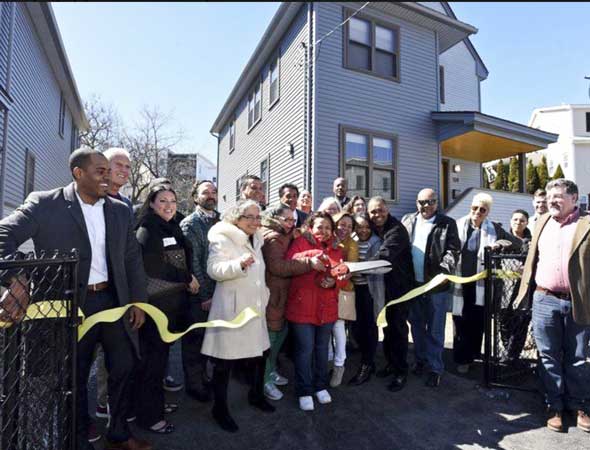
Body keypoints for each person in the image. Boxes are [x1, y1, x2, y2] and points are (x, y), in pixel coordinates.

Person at [0, 148, 151, 450]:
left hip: (113, 301)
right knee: (75, 375)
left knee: (124, 366)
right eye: (100, 171)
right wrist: (15, 277)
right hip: (70, 306)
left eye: (109, 171)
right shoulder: (45, 204)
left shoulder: (120, 210)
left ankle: (119, 432)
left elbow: (132, 257)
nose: (108, 177)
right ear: (78, 173)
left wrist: (137, 300)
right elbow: (4, 234)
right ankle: (79, 435)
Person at [515, 179, 590, 433]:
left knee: (577, 357)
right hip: (544, 299)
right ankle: (554, 405)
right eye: (549, 197)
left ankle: (579, 405)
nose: (551, 201)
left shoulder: (586, 224)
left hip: (578, 302)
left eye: (557, 196)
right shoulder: (542, 223)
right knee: (547, 355)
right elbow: (532, 258)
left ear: (574, 198)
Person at [201, 200, 275, 432]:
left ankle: (256, 395)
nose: (255, 221)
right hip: (232, 311)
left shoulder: (258, 237)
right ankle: (219, 409)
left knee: (261, 355)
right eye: (249, 217)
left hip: (255, 308)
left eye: (257, 217)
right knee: (224, 363)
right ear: (236, 218)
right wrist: (237, 265)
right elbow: (213, 269)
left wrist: (265, 293)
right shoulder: (223, 237)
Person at [133, 185, 200, 434]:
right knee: (152, 362)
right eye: (163, 200)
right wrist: (187, 277)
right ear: (151, 203)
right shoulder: (148, 228)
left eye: (173, 200)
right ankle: (150, 418)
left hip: (171, 305)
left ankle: (153, 406)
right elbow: (153, 266)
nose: (169, 205)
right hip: (156, 308)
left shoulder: (171, 225)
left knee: (159, 363)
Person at [259, 205, 326, 400]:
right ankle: (264, 381)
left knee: (278, 338)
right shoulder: (273, 238)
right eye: (286, 219)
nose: (291, 223)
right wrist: (309, 262)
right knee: (269, 341)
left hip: (284, 295)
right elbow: (277, 266)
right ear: (275, 219)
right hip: (274, 296)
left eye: (293, 220)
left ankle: (270, 372)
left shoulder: (286, 234)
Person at [285, 212, 349, 411]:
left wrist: (333, 282)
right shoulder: (300, 242)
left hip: (327, 307)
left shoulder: (337, 249)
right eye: (320, 227)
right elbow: (290, 261)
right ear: (311, 227)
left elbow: (343, 275)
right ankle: (304, 390)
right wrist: (312, 256)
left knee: (322, 349)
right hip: (302, 305)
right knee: (305, 350)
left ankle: (319, 385)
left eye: (328, 228)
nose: (324, 231)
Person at [451, 193, 520, 374]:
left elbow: (515, 243)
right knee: (460, 322)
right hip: (461, 284)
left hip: (483, 286)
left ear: (487, 212)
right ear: (470, 208)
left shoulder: (494, 228)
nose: (478, 212)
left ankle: (474, 354)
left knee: (478, 322)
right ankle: (462, 358)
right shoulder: (457, 226)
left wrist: (500, 243)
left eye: (483, 209)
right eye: (475, 208)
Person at [401, 189, 460, 387]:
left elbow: (453, 250)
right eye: (422, 202)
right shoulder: (407, 220)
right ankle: (420, 361)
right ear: (416, 202)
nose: (426, 206)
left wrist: (443, 271)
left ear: (437, 203)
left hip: (436, 287)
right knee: (416, 326)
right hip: (413, 285)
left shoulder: (447, 223)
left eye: (430, 202)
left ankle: (435, 368)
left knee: (435, 329)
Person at [95, 147, 134, 421]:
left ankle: (111, 403)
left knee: (116, 352)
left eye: (128, 166)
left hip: (119, 289)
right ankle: (96, 404)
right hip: (91, 288)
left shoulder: (126, 204)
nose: (123, 169)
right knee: (90, 353)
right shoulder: (91, 196)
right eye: (117, 164)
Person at [367, 197, 415, 392]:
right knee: (386, 328)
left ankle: (401, 371)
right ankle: (390, 363)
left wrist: (356, 267)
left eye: (380, 210)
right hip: (382, 287)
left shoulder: (397, 229)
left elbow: (385, 256)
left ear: (387, 210)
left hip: (399, 289)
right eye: (373, 212)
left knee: (398, 330)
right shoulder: (372, 227)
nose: (377, 215)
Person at [179, 180, 220, 402]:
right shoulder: (190, 224)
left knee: (211, 341)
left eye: (214, 192)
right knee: (195, 342)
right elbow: (193, 263)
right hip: (200, 296)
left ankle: (206, 379)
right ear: (196, 197)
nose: (211, 195)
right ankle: (195, 386)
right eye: (206, 192)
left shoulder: (221, 220)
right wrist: (204, 296)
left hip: (220, 291)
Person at [348, 213, 386, 385]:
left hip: (369, 290)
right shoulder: (352, 240)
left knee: (370, 327)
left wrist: (354, 268)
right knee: (356, 326)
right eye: (359, 227)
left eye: (367, 227)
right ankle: (364, 357)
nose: (363, 230)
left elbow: (378, 266)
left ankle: (368, 364)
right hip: (353, 289)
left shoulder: (377, 242)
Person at [329, 212, 359, 387]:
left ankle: (339, 365)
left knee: (339, 327)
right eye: (342, 224)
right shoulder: (327, 237)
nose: (345, 229)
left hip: (343, 290)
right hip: (324, 289)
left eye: (349, 226)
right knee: (325, 329)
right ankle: (327, 362)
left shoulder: (351, 244)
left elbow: (350, 268)